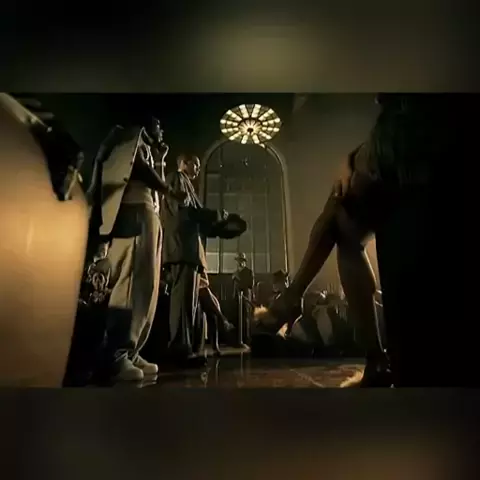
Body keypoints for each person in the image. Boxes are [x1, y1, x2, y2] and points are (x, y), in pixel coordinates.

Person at [95, 117, 186, 382]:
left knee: (147, 286)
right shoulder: (129, 135)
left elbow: (151, 174)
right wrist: (168, 189)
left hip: (148, 212)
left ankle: (132, 350)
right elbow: (138, 168)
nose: (162, 130)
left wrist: (160, 160)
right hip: (133, 210)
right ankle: (115, 354)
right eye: (158, 125)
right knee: (131, 282)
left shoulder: (145, 146)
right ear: (146, 124)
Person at [162, 154, 228, 367]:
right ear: (184, 162)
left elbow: (195, 214)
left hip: (190, 250)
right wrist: (213, 215)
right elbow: (185, 210)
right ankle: (180, 350)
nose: (198, 170)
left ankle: (190, 348)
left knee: (191, 304)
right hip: (182, 247)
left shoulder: (186, 183)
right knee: (182, 303)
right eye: (196, 165)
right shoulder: (177, 178)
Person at [232, 253, 254, 348]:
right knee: (237, 318)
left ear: (244, 262)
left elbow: (250, 285)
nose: (239, 262)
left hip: (245, 298)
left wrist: (239, 279)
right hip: (237, 298)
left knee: (245, 318)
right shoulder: (235, 272)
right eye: (238, 261)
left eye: (241, 260)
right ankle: (237, 340)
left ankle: (246, 339)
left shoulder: (248, 272)